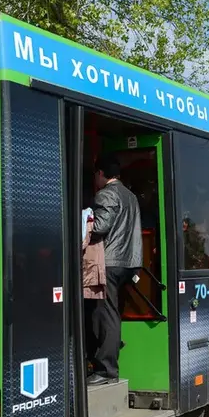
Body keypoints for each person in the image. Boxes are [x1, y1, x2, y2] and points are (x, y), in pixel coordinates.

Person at [86, 154, 142, 386]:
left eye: (95, 175)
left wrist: (84, 219)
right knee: (112, 313)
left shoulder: (106, 194)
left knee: (103, 313)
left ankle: (106, 370)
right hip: (129, 262)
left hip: (110, 262)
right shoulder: (130, 195)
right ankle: (109, 351)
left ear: (100, 174)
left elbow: (100, 226)